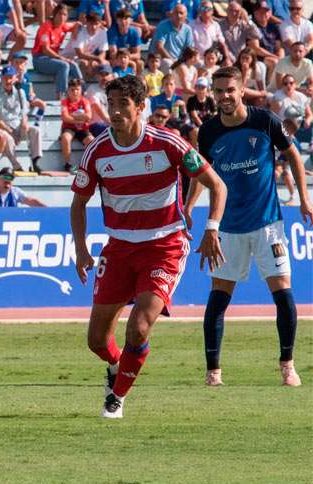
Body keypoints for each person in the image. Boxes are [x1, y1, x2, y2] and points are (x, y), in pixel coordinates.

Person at [71, 75, 227, 419]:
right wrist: (81, 250)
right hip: (119, 248)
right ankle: (118, 366)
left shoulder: (167, 142)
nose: (115, 112)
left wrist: (210, 227)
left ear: (141, 107)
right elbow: (78, 204)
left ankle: (117, 398)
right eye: (110, 104)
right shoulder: (97, 150)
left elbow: (215, 184)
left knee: (139, 326)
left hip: (165, 245)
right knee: (97, 340)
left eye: (123, 105)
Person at [185, 65, 312, 388]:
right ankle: (213, 372)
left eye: (230, 90)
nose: (224, 96)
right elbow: (203, 173)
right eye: (219, 91)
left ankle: (287, 365)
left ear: (242, 90)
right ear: (213, 94)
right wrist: (187, 207)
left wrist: (303, 198)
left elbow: (293, 155)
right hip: (228, 227)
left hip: (268, 224)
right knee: (218, 297)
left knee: (283, 293)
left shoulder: (264, 121)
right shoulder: (210, 132)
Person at [0, 66, 43, 173]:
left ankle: (35, 162)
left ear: (15, 78)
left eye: (10, 77)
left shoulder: (20, 92)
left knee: (35, 130)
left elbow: (24, 111)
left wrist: (24, 121)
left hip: (18, 125)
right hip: (2, 126)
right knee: (8, 138)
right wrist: (10, 131)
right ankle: (16, 166)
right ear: (1, 77)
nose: (8, 80)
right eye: (5, 78)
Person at [32, 4, 82, 100]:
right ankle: (62, 96)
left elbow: (77, 23)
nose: (62, 17)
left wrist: (76, 28)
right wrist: (61, 58)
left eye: (65, 14)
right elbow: (45, 50)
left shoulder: (63, 26)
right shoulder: (46, 26)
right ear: (54, 14)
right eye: (60, 14)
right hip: (39, 59)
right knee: (64, 65)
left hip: (52, 59)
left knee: (74, 64)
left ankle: (82, 93)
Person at [60, 78, 93, 173]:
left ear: (81, 90)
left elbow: (89, 116)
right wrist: (80, 119)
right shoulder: (65, 102)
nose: (75, 92)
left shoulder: (85, 101)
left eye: (77, 89)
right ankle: (68, 164)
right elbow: (65, 118)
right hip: (69, 128)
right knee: (65, 137)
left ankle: (88, 164)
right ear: (68, 90)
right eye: (72, 89)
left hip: (83, 129)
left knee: (91, 141)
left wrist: (73, 117)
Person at [150, 4, 194, 73]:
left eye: (181, 13)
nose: (178, 15)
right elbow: (159, 46)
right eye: (176, 13)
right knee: (168, 63)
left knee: (197, 65)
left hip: (180, 60)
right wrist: (172, 60)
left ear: (186, 16)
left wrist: (182, 61)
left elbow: (189, 49)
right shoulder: (163, 25)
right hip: (163, 58)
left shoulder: (187, 29)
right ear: (172, 14)